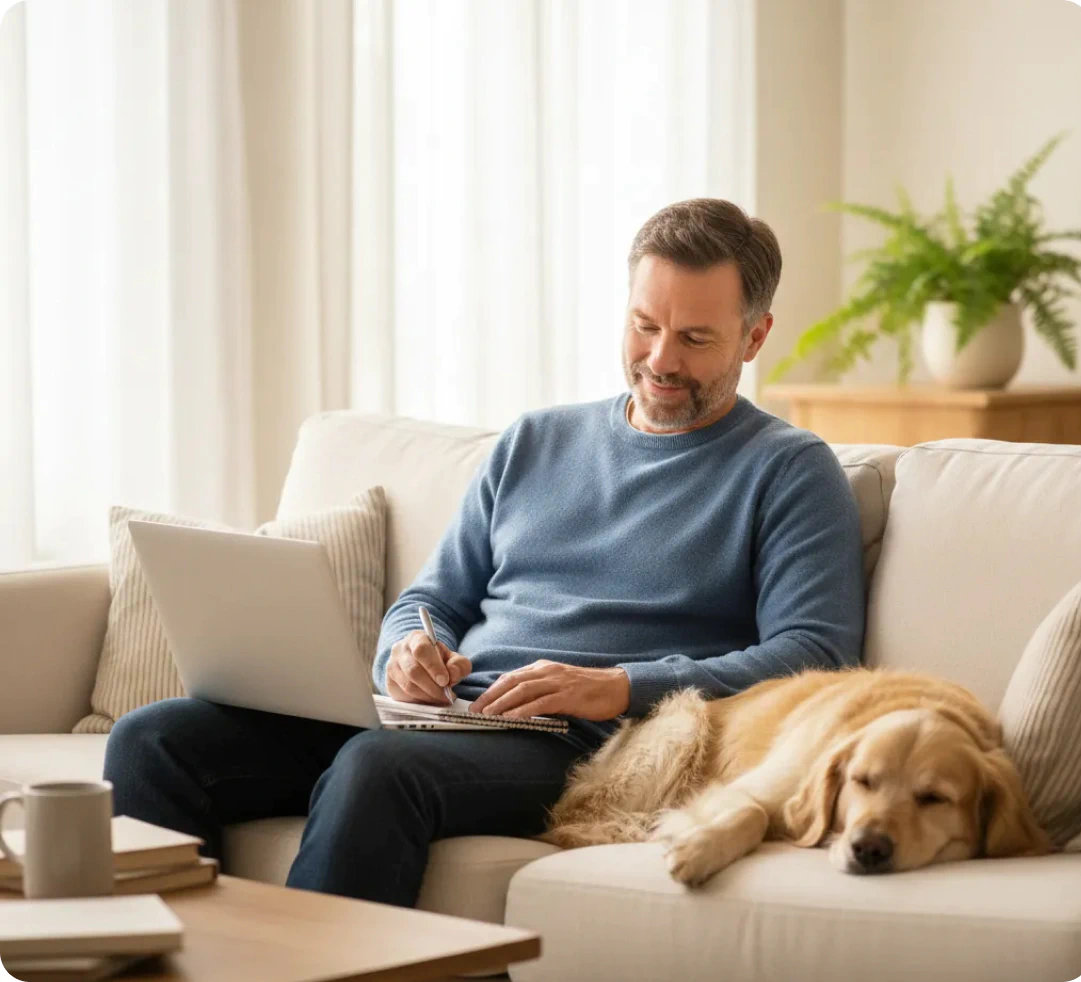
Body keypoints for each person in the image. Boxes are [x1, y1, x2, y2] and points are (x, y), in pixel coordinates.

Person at [103, 198, 866, 908]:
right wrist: (411, 648)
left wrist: (618, 686)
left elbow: (817, 655)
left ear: (756, 336)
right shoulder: (535, 440)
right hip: (444, 719)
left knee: (377, 771)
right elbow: (429, 599)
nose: (661, 358)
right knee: (156, 739)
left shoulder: (789, 469)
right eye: (644, 325)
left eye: (696, 338)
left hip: (591, 744)